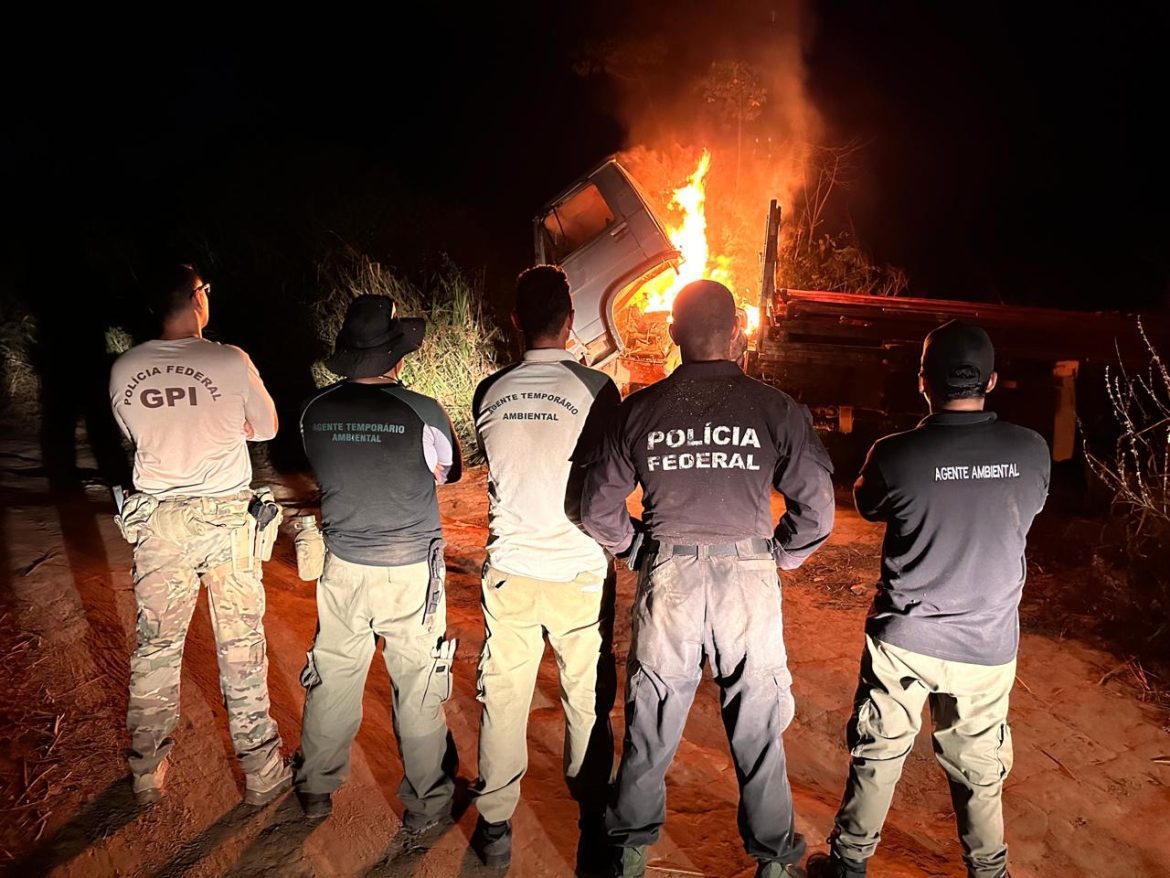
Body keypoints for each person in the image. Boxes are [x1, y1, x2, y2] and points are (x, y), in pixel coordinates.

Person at [580, 280, 836, 878]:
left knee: (652, 718)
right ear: (738, 334)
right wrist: (782, 554)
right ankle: (773, 860)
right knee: (757, 722)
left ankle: (630, 852)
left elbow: (596, 507)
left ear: (673, 335)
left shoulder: (640, 410)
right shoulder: (774, 408)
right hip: (748, 578)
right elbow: (817, 508)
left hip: (669, 574)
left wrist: (637, 547)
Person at [808, 321, 1050, 878]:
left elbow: (868, 506)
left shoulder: (895, 455)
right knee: (979, 769)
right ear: (992, 380)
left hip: (905, 641)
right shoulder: (1031, 451)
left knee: (878, 753)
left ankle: (849, 865)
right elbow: (1028, 506)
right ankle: (989, 872)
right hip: (986, 646)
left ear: (923, 382)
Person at [108, 263, 289, 805]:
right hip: (224, 521)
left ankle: (146, 771)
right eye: (206, 291)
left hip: (159, 523)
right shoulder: (229, 361)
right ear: (195, 299)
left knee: (156, 648)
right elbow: (268, 427)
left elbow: (132, 434)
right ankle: (261, 771)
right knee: (240, 646)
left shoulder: (125, 368)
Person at [469, 266, 620, 870]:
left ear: (514, 322)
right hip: (579, 572)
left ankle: (496, 827)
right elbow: (611, 480)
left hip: (510, 570)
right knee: (586, 699)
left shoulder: (490, 390)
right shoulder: (597, 390)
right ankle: (590, 820)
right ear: (572, 320)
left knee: (503, 698)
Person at [295, 294, 462, 830]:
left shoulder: (313, 411)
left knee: (334, 677)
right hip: (411, 570)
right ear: (397, 355)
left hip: (342, 565)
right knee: (417, 685)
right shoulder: (422, 411)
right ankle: (426, 803)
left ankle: (316, 788)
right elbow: (448, 472)